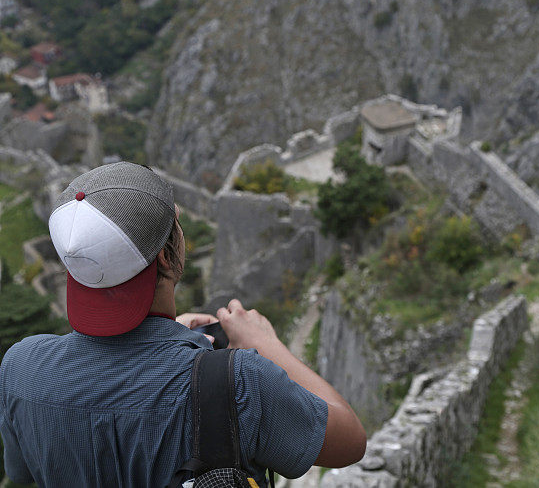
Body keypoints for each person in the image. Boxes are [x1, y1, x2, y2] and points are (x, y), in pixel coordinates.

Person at [0, 162, 366, 487]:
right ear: (166, 255)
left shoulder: (20, 368)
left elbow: (21, 472)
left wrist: (179, 341)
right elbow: (350, 441)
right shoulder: (240, 383)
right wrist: (267, 344)